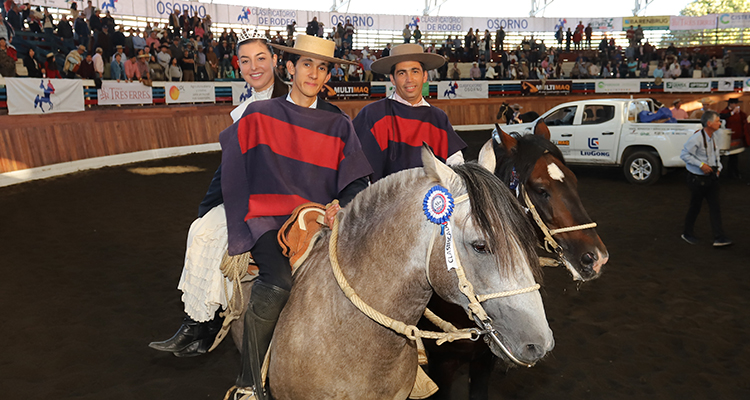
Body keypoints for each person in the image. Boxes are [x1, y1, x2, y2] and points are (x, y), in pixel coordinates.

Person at [215, 35, 371, 400]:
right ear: (289, 68)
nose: (313, 74)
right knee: (278, 282)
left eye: (321, 67)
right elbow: (232, 168)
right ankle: (249, 383)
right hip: (266, 218)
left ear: (327, 74)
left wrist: (342, 203)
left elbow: (355, 180)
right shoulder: (259, 114)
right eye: (305, 65)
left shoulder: (339, 124)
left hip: (317, 219)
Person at [148, 30, 291, 359]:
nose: (253, 66)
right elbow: (229, 166)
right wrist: (208, 206)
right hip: (247, 196)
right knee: (199, 230)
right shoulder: (242, 112)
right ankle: (199, 324)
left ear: (274, 60)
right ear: (238, 67)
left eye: (260, 58)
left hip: (280, 200)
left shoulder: (291, 103)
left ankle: (204, 326)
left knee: (213, 234)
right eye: (245, 61)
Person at [354, 43, 466, 183]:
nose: (409, 79)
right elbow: (358, 173)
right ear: (392, 79)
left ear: (425, 76)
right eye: (402, 73)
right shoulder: (372, 115)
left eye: (415, 71)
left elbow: (456, 165)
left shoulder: (438, 118)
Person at [680, 111, 732, 247]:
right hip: (696, 179)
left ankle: (719, 237)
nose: (720, 123)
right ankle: (687, 233)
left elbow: (716, 155)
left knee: (715, 207)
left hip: (710, 178)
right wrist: (701, 165)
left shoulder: (712, 137)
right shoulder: (696, 138)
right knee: (695, 207)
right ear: (709, 123)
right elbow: (684, 155)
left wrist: (718, 167)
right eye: (718, 121)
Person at [719, 98, 749, 178]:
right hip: (726, 137)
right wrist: (732, 113)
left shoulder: (741, 114)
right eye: (735, 104)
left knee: (735, 156)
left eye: (737, 104)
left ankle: (733, 172)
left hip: (737, 137)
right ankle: (720, 172)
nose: (736, 105)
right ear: (730, 104)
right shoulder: (724, 112)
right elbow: (721, 118)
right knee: (722, 155)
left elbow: (744, 122)